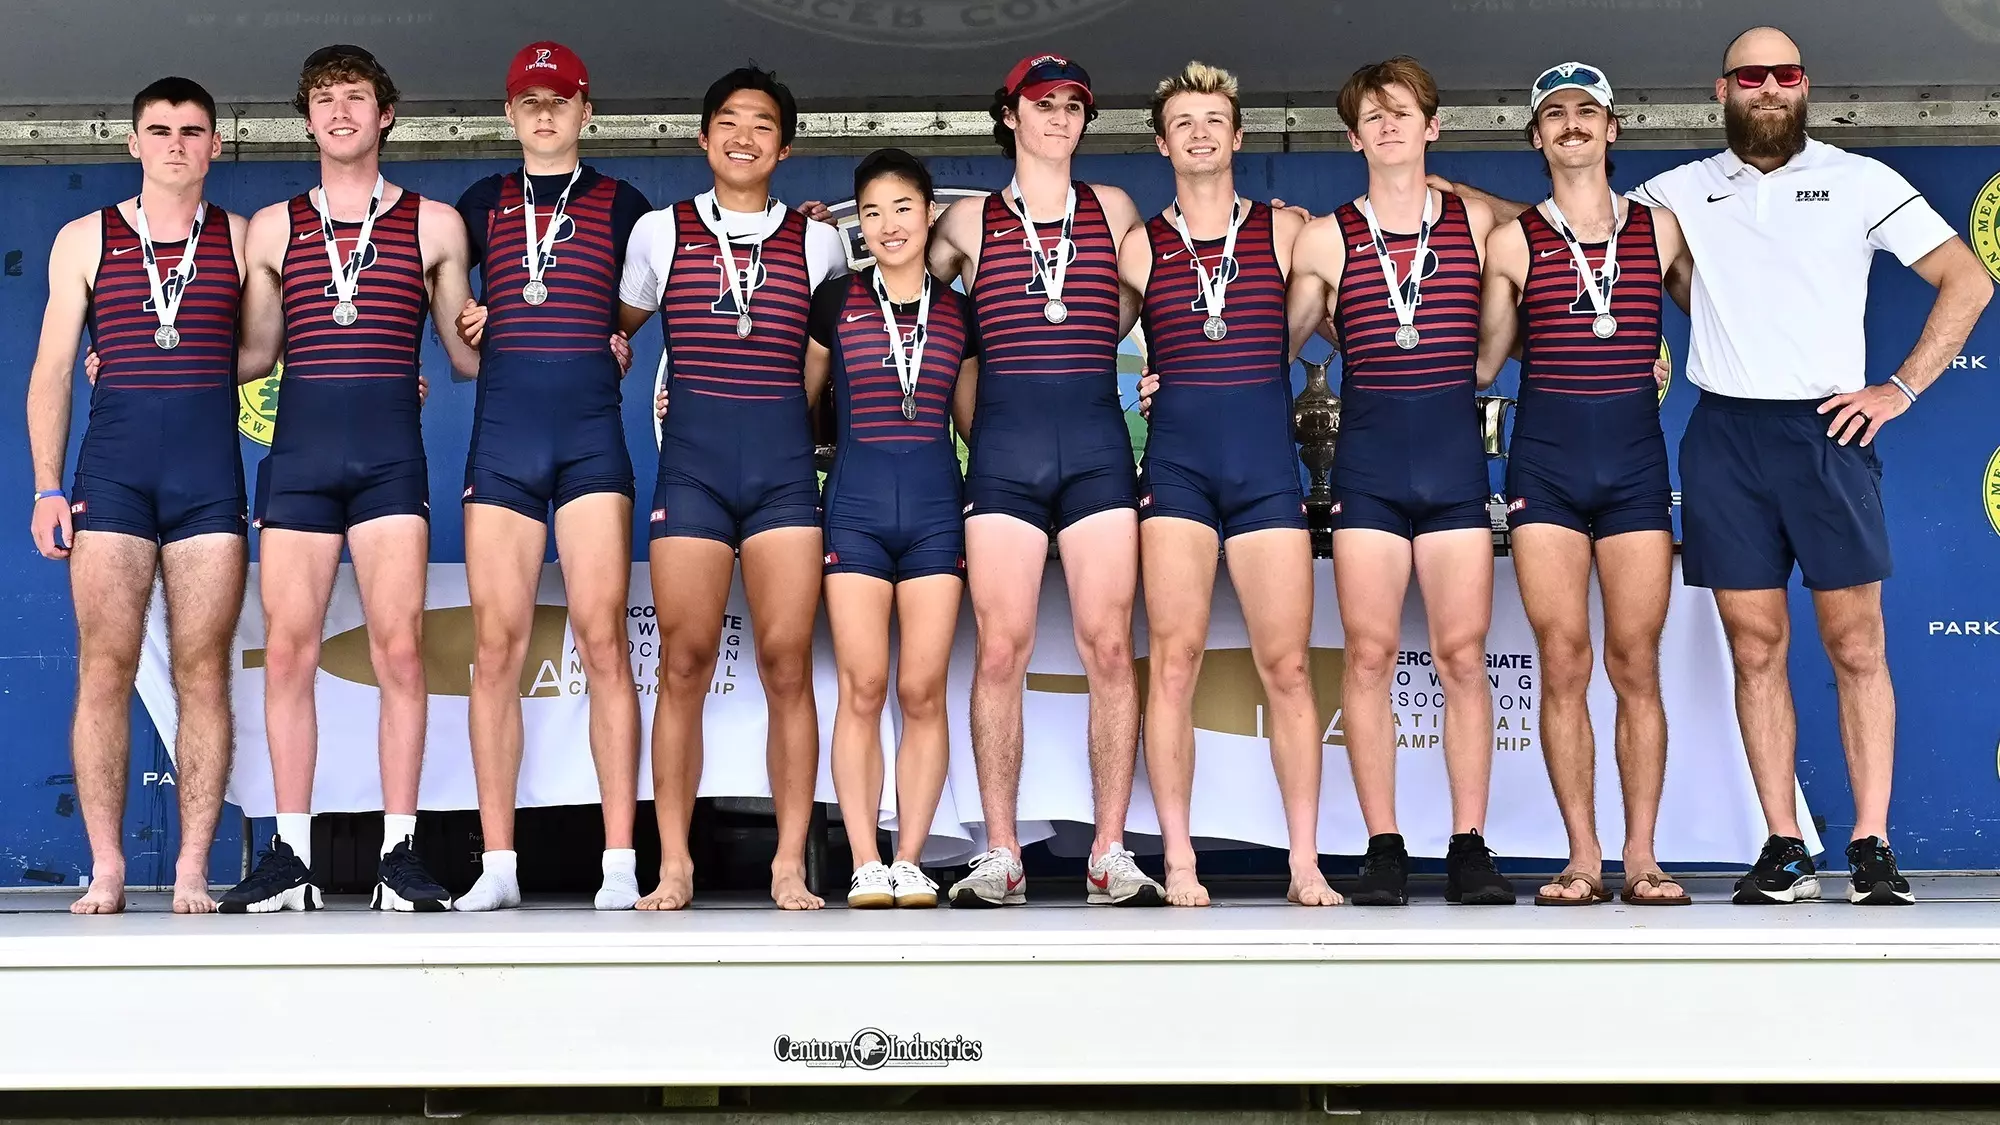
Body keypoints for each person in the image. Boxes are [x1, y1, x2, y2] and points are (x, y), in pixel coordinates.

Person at [1450, 27, 1992, 905]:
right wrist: (1437, 189)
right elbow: (1576, 218)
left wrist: (1898, 388)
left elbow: (1967, 279)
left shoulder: (1863, 179)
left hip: (1828, 432)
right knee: (1755, 645)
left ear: (1804, 84)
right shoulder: (1678, 195)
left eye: (1782, 74)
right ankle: (1783, 845)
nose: (1768, 87)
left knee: (1857, 642)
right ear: (1723, 89)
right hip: (1725, 434)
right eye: (1751, 76)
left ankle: (1871, 842)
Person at [220, 44, 481, 912]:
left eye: (355, 97)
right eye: (324, 99)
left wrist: (520, 322)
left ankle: (398, 851)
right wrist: (148, 358)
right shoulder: (271, 226)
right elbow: (255, 353)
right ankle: (290, 853)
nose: (340, 112)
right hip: (297, 462)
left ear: (386, 114)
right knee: (289, 653)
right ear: (307, 120)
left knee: (399, 650)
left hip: (388, 464)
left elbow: (461, 354)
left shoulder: (437, 224)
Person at [927, 53, 1164, 907]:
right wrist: (969, 417)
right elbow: (910, 301)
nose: (1059, 117)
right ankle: (1000, 851)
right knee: (1000, 649)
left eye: (1073, 106)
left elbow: (1169, 291)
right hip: (1004, 453)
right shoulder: (966, 221)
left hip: (1098, 445)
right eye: (1043, 104)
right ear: (1010, 116)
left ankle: (1108, 850)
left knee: (1109, 648)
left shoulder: (1115, 209)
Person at [1283, 57, 1515, 906]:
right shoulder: (1324, 237)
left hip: (1453, 464)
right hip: (1371, 470)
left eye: (1403, 111)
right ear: (1352, 137)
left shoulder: (1481, 222)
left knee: (1462, 657)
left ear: (1432, 126)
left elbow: (1503, 335)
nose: (1387, 125)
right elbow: (1265, 342)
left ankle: (1468, 843)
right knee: (1371, 655)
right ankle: (1384, 845)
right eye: (1370, 116)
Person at [618, 66, 849, 911]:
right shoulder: (657, 232)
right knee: (682, 664)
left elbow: (853, 346)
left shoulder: (820, 242)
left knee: (789, 665)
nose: (743, 136)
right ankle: (673, 862)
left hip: (786, 474)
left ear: (783, 147)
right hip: (694, 472)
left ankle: (788, 861)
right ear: (703, 136)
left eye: (761, 125)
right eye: (728, 121)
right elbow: (609, 326)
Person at [25, 79, 249, 914]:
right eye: (159, 131)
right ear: (132, 143)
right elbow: (51, 370)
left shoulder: (241, 237)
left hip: (207, 481)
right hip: (111, 477)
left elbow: (264, 349)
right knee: (104, 667)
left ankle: (193, 865)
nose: (176, 145)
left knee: (203, 673)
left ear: (216, 145)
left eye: (193, 131)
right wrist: (48, 486)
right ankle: (109, 865)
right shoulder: (84, 238)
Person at [1118, 62, 1335, 908]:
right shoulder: (1141, 245)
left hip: (1263, 472)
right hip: (1175, 467)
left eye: (1215, 119)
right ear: (1163, 142)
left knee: (1286, 667)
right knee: (1172, 664)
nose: (1201, 133)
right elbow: (1082, 339)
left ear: (1239, 137)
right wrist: (1146, 376)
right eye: (1184, 122)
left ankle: (1305, 860)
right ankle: (1177, 858)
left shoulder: (1287, 231)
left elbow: (1344, 316)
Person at [1475, 62, 1691, 906]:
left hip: (1637, 465)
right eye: (1553, 114)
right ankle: (1583, 855)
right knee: (1561, 661)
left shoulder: (1663, 230)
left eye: (1586, 112)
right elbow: (1485, 358)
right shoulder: (1512, 240)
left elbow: (1725, 319)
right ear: (1535, 136)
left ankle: (1642, 854)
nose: (1571, 124)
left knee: (1635, 661)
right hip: (1547, 468)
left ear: (1613, 129)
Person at [449, 42, 652, 912]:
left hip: (590, 444)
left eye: (559, 99)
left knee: (604, 641)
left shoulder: (626, 205)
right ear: (508, 112)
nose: (544, 113)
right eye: (529, 100)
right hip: (502, 442)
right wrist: (469, 322)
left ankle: (618, 860)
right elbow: (459, 352)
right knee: (494, 650)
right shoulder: (476, 205)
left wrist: (619, 339)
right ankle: (498, 863)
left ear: (585, 109)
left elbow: (636, 320)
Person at [804, 149, 978, 909]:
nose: (887, 224)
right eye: (871, 211)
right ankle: (865, 859)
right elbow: (800, 408)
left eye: (903, 207)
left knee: (921, 688)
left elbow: (974, 422)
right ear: (858, 225)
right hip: (857, 508)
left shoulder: (962, 310)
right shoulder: (833, 299)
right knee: (864, 685)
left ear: (929, 213)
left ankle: (910, 858)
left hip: (937, 508)